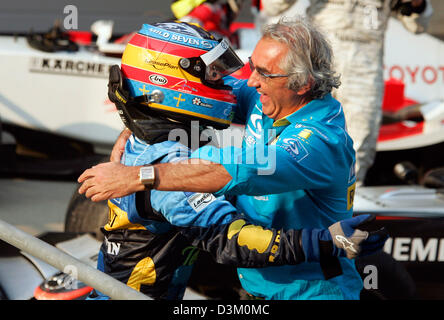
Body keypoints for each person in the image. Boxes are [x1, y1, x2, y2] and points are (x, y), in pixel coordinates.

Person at [86, 21, 387, 300]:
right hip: (260, 286)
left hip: (312, 292)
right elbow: (188, 92)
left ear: (303, 83)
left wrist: (136, 175)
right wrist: (135, 118)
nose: (250, 80)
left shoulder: (320, 142)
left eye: (264, 73)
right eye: (252, 67)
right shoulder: (269, 96)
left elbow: (238, 170)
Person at [255, 0, 433, 184]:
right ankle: (289, 196)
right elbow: (273, 6)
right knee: (299, 125)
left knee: (359, 138)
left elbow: (418, 24)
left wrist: (416, 4)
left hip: (364, 59)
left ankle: (348, 200)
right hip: (317, 53)